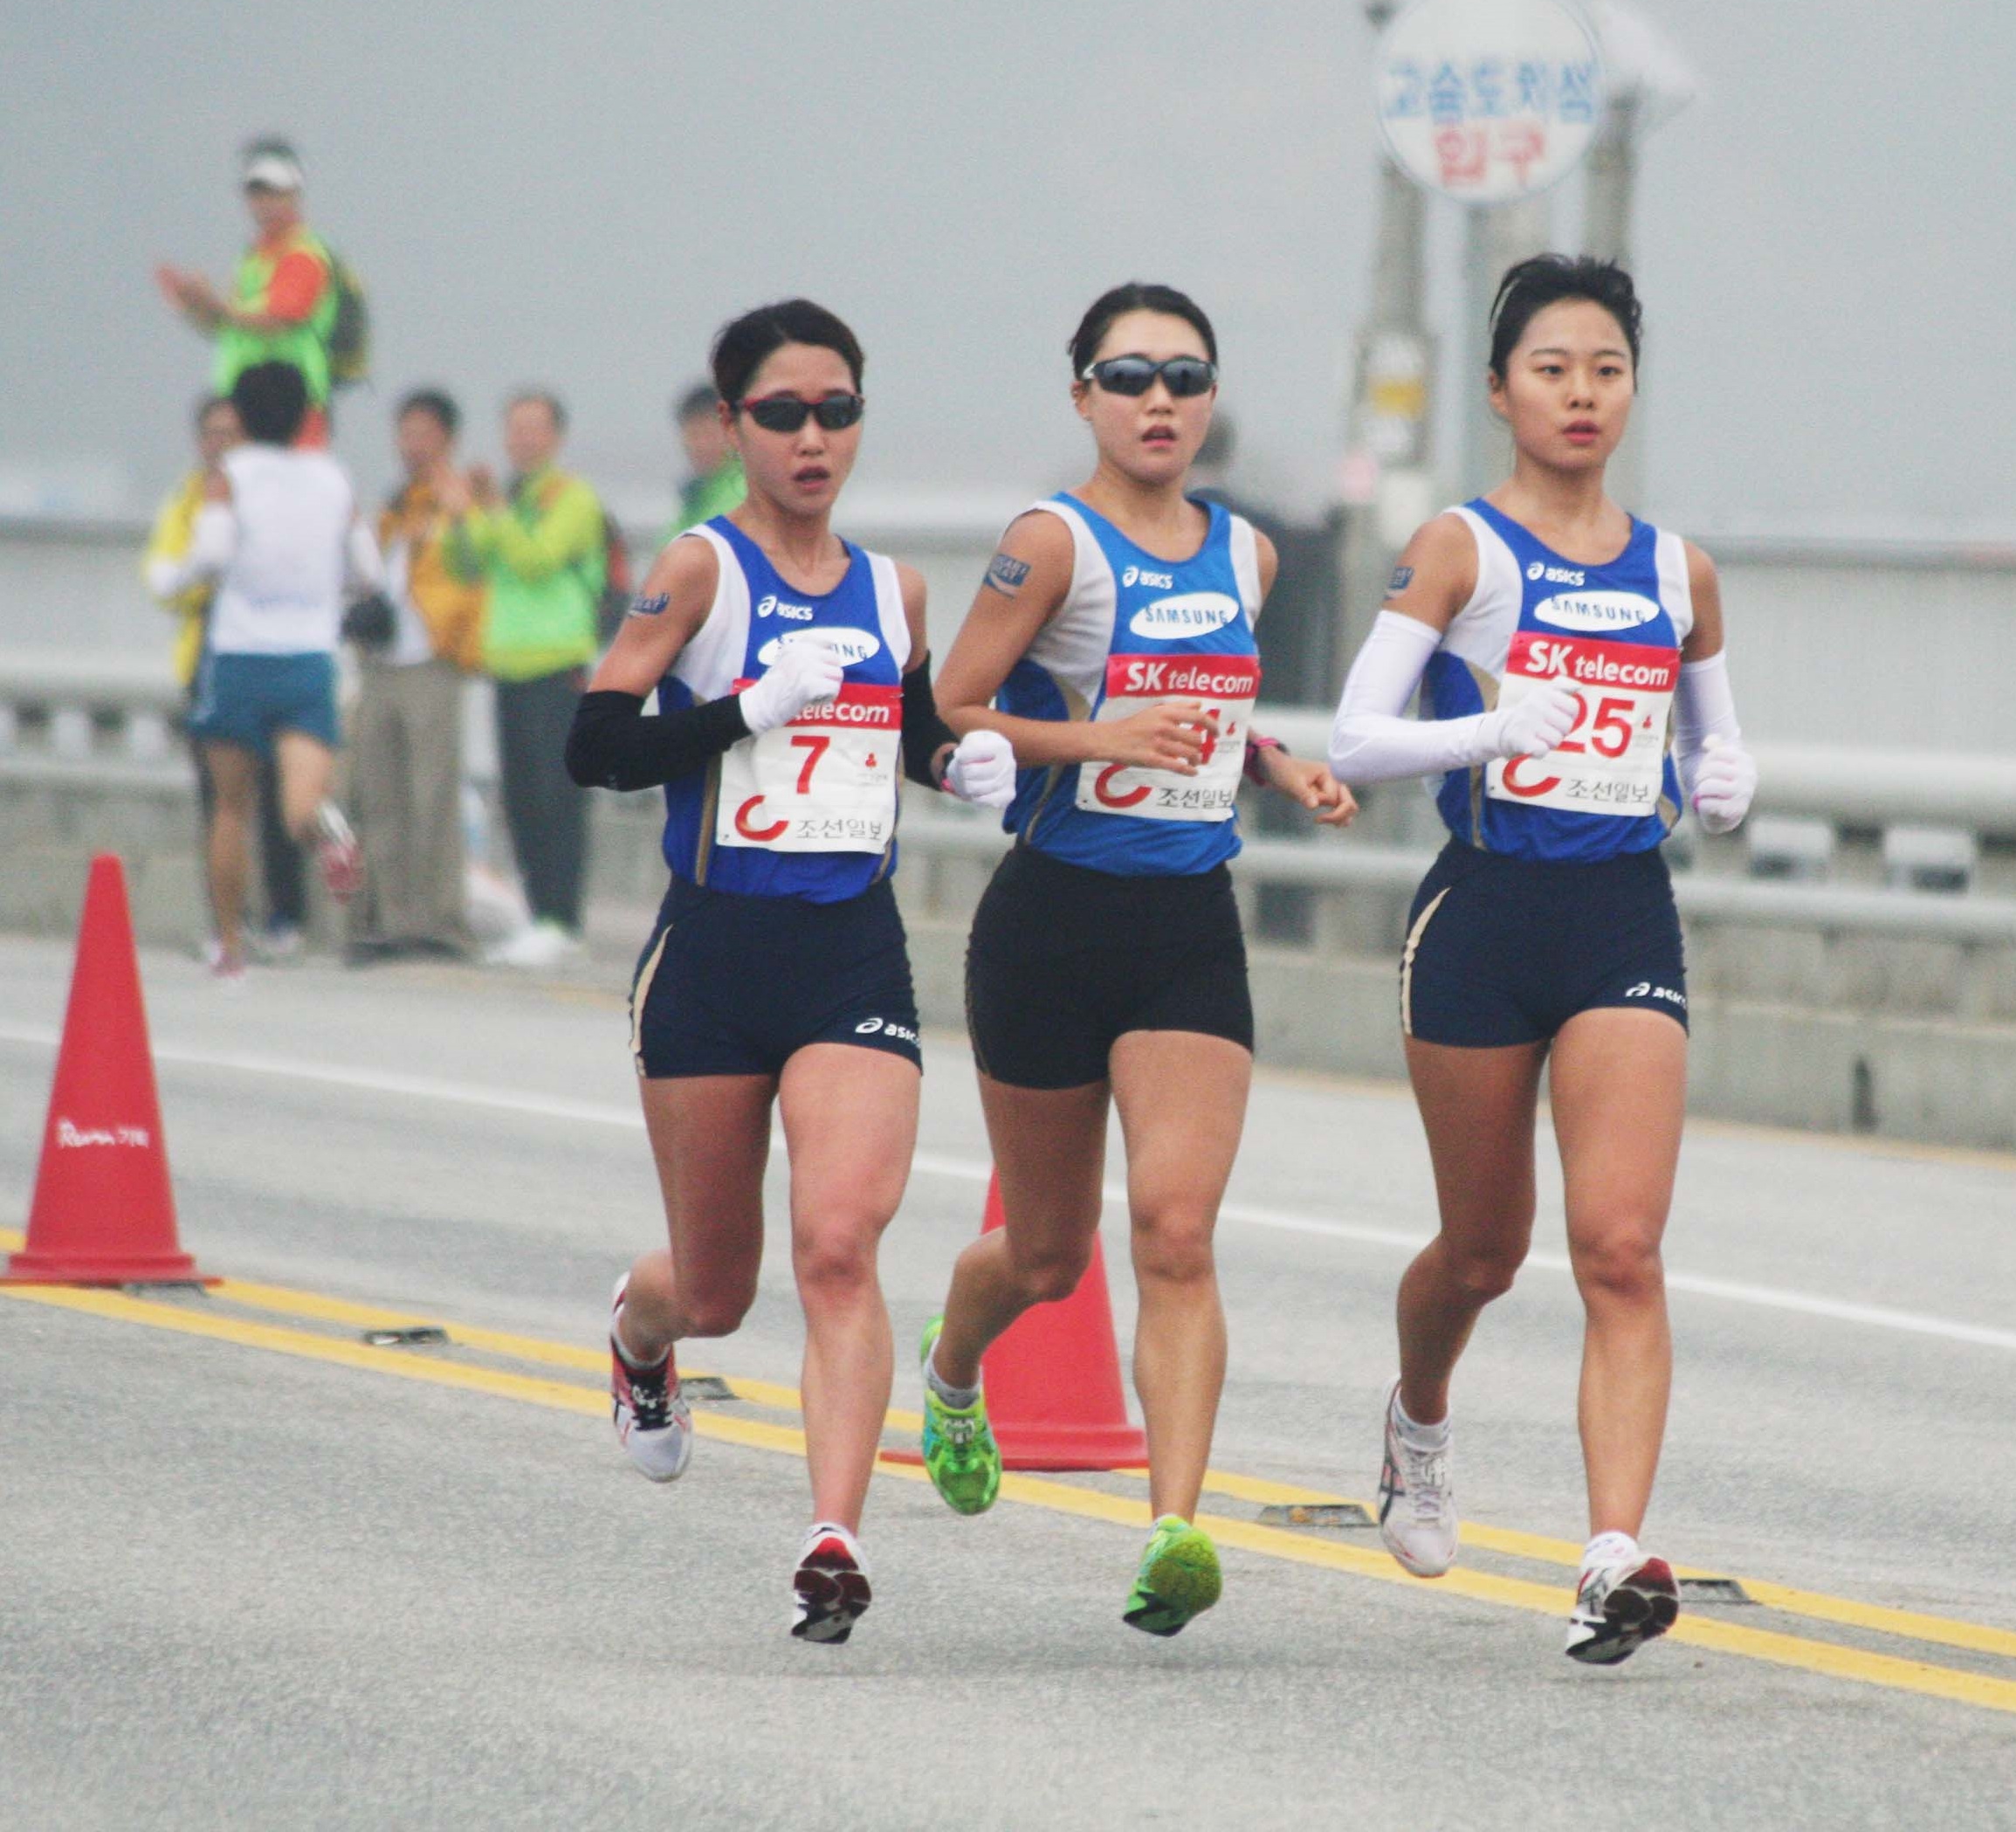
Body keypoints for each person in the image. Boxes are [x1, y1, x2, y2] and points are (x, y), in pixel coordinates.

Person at [1326, 255, 1758, 1665]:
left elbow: (1706, 737)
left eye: (1606, 368)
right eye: (1551, 368)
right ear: (1501, 387)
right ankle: (1417, 1418)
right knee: (1480, 1248)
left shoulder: (1670, 567)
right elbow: (1352, 737)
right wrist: (1483, 734)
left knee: (1619, 1246)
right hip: (1481, 913)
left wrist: (1721, 772)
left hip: (1619, 913)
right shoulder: (1462, 548)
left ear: (1630, 386)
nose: (1580, 393)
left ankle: (1608, 1551)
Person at [565, 300, 1017, 1644]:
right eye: (782, 413)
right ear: (731, 426)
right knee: (717, 1287)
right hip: (710, 952)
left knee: (839, 1243)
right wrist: (741, 709)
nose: (812, 437)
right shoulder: (697, 572)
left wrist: (960, 763)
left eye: (836, 411)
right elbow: (593, 743)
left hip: (845, 952)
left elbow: (912, 727)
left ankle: (832, 1532)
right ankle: (641, 1340)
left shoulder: (894, 590)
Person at [919, 282, 1356, 1638]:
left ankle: (1172, 1524)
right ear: (1082, 399)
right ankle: (949, 1370)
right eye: (1128, 376)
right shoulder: (1051, 543)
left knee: (1174, 1228)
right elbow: (948, 704)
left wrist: (1274, 763)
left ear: (1210, 398)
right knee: (1045, 1253)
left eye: (1183, 375)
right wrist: (1099, 738)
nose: (1158, 400)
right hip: (1049, 918)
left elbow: (1213, 710)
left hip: (1183, 926)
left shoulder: (1249, 553)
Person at [182, 361, 382, 983]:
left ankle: (231, 944)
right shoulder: (333, 478)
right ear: (306, 415)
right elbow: (368, 571)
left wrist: (182, 573)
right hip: (307, 657)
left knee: (231, 807)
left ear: (238, 416)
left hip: (240, 653)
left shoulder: (228, 476)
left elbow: (212, 554)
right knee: (298, 802)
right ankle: (329, 829)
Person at [144, 396, 311, 961]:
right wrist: (209, 579)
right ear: (199, 440)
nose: (222, 442)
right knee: (219, 796)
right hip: (211, 660)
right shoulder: (188, 496)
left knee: (282, 795)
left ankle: (285, 916)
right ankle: (225, 922)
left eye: (232, 431)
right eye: (212, 432)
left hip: (274, 654)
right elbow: (163, 574)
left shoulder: (276, 493)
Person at [444, 391, 606, 968]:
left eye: (535, 429)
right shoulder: (508, 500)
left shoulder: (572, 497)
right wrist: (464, 513)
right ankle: (539, 914)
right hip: (508, 666)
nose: (523, 440)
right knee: (520, 799)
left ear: (556, 436)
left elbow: (537, 558)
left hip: (557, 664)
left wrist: (490, 512)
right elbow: (466, 564)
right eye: (515, 429)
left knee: (556, 795)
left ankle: (563, 917)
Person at [344, 389, 485, 961]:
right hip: (382, 663)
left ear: (447, 439)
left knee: (433, 797)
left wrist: (460, 510)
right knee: (380, 796)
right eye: (405, 433)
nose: (412, 445)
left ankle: (441, 922)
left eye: (424, 433)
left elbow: (479, 567)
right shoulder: (394, 507)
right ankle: (393, 918)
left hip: (433, 661)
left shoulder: (459, 502)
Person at [155, 139, 341, 447]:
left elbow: (278, 319)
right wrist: (191, 306)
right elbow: (230, 330)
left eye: (275, 192)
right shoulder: (253, 258)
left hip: (291, 411)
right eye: (257, 192)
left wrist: (214, 305)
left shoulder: (303, 256)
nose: (265, 202)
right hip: (244, 408)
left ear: (295, 194)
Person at [667, 382, 744, 543]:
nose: (701, 445)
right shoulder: (695, 497)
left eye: (709, 434)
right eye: (694, 434)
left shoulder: (745, 494)